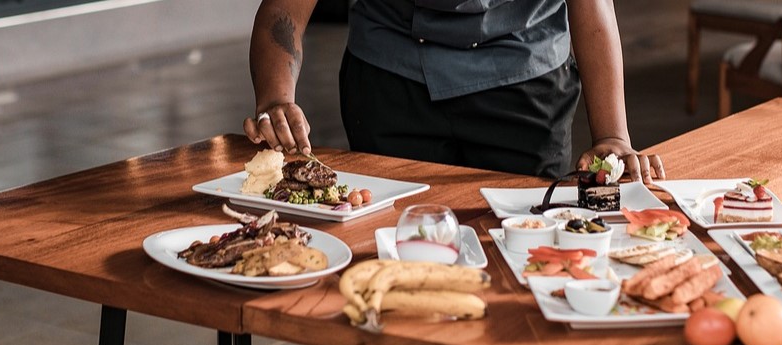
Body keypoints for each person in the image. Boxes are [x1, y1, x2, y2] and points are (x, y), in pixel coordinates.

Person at [243, 0, 666, 182]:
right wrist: (276, 98)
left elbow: (593, 6)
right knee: (392, 248)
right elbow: (285, 9)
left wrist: (612, 135)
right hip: (392, 76)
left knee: (520, 247)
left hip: (524, 77)